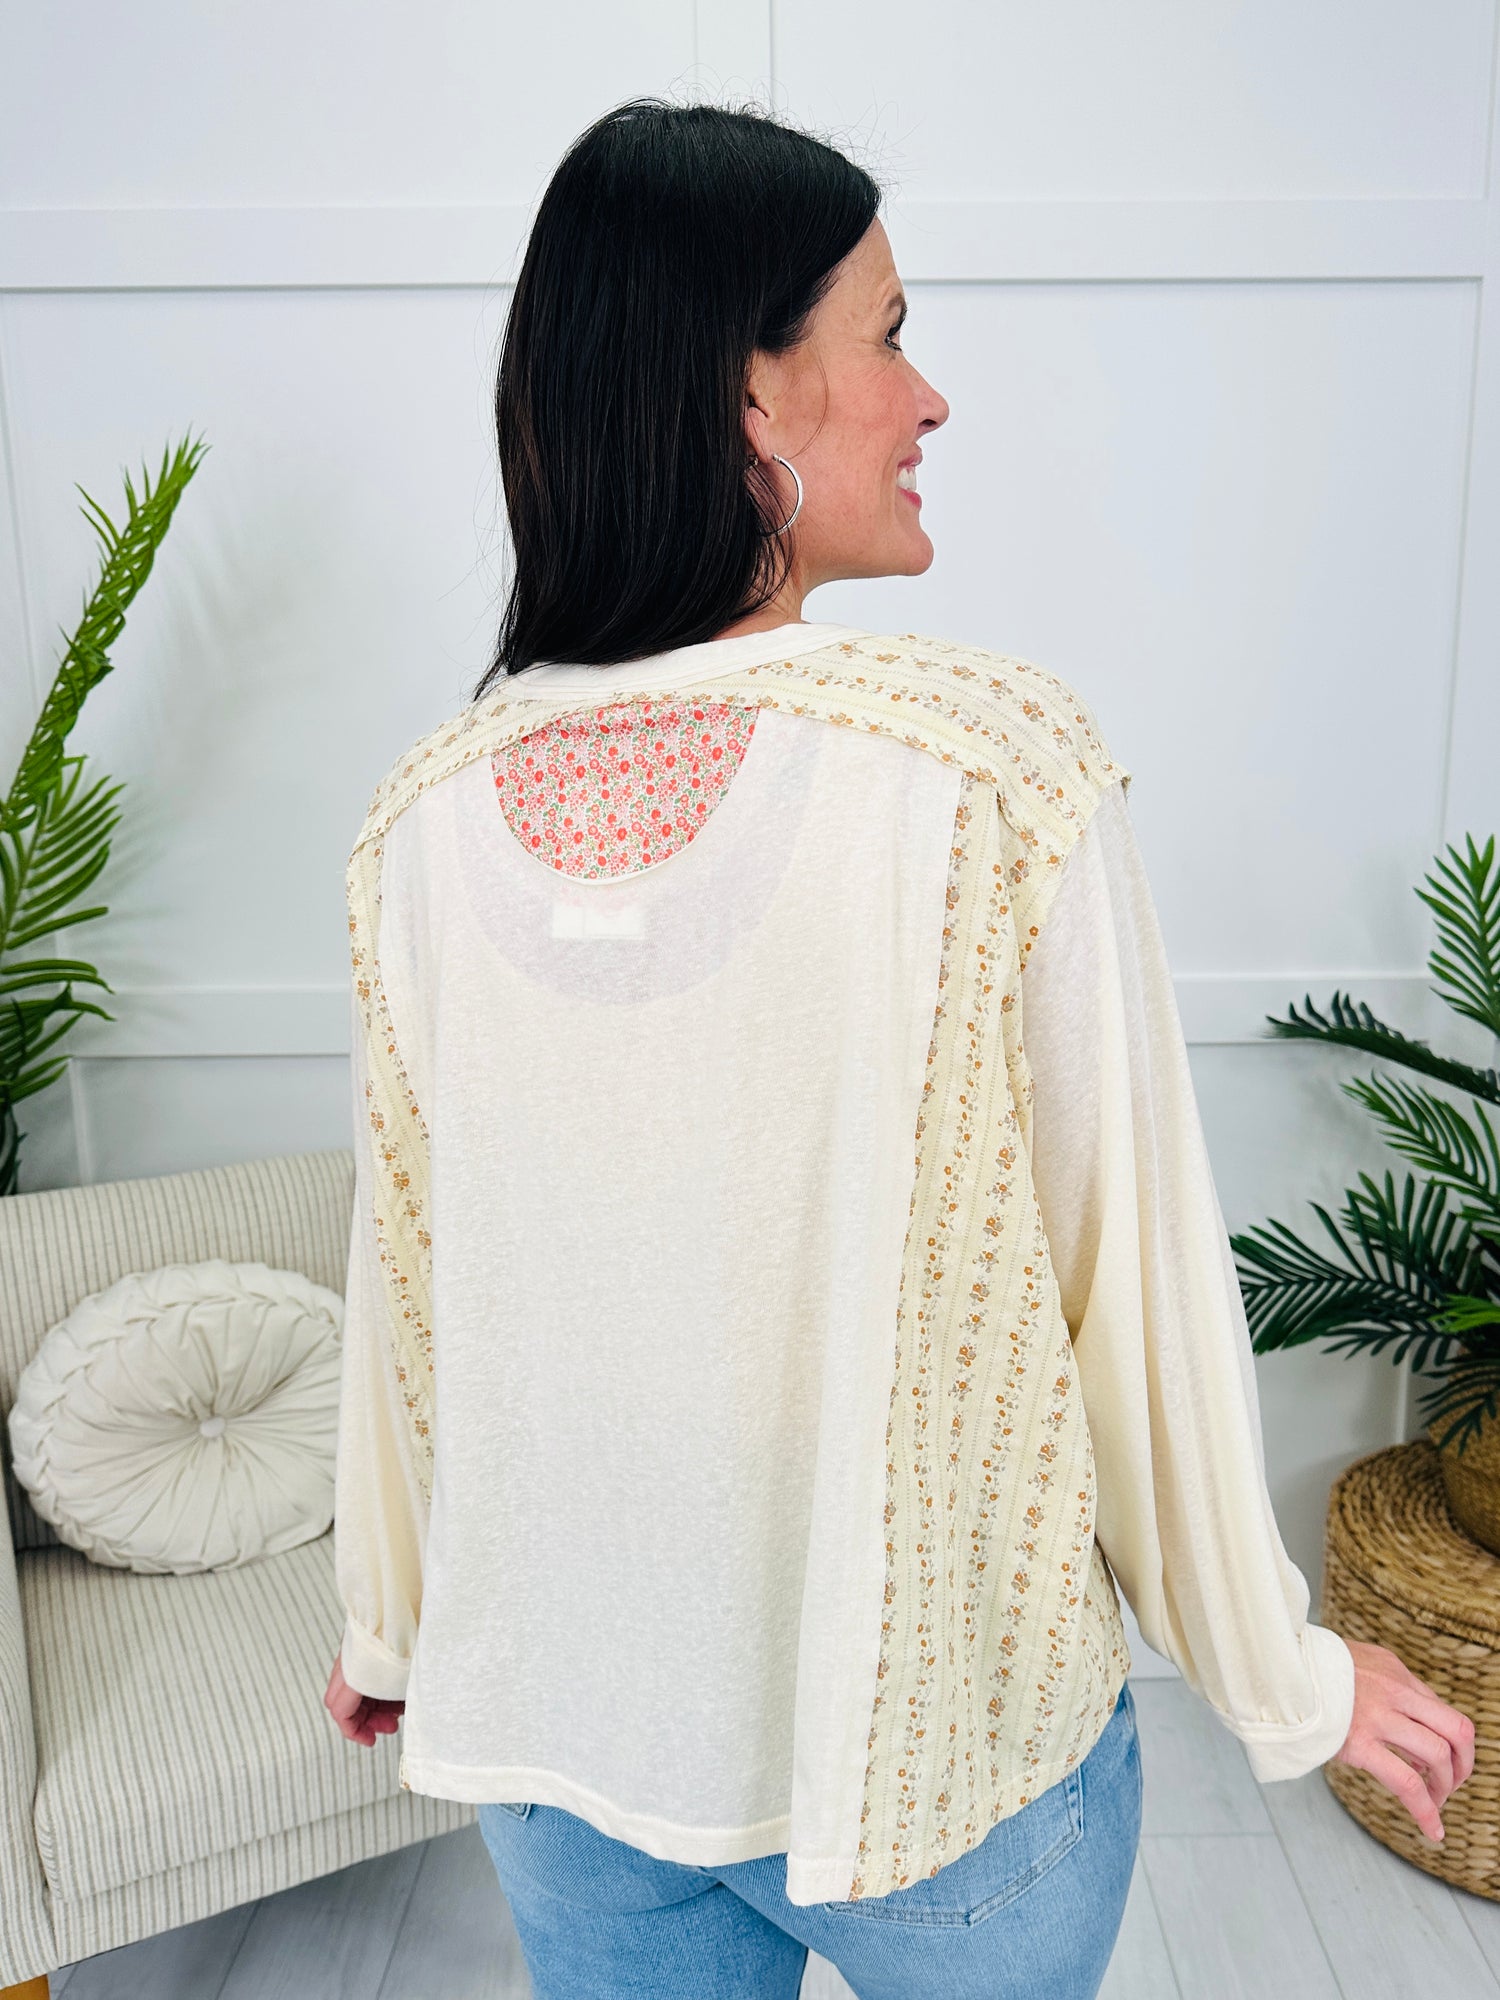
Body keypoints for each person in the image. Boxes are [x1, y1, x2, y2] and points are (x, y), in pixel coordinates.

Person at [323, 97, 1475, 2000]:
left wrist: (391, 1623)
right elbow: (1133, 1285)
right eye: (888, 334)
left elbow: (408, 1281)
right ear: (751, 396)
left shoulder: (420, 822)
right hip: (940, 1768)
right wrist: (1280, 1675)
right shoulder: (986, 771)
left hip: (563, 1750)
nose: (931, 398)